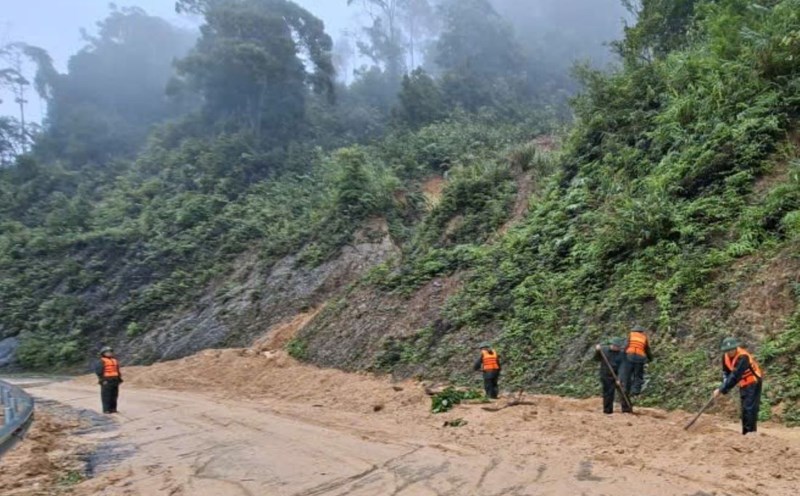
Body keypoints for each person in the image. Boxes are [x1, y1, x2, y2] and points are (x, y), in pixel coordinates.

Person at [713, 337, 763, 435]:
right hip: (743, 383)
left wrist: (721, 389)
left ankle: (751, 433)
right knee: (744, 408)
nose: (730, 352)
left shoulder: (743, 357)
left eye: (732, 349)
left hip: (753, 381)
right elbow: (726, 374)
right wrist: (723, 386)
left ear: (736, 348)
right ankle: (745, 433)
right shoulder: (725, 357)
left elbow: (735, 376)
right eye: (728, 350)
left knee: (749, 407)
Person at [593, 337, 629, 414]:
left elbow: (623, 367)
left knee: (623, 391)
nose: (616, 348)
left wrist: (619, 378)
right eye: (615, 346)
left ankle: (626, 409)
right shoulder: (604, 350)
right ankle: (608, 410)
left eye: (618, 346)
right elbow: (596, 359)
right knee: (608, 393)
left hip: (617, 374)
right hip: (606, 375)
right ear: (611, 344)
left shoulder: (622, 354)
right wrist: (597, 351)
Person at [619, 324, 653, 398]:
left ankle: (626, 390)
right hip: (640, 359)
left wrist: (622, 355)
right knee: (638, 376)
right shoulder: (644, 338)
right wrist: (650, 359)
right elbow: (647, 350)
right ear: (641, 331)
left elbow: (625, 346)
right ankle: (635, 391)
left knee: (627, 375)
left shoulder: (631, 335)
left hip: (629, 357)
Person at [94, 346, 122, 414]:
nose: (109, 353)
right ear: (103, 353)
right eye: (107, 352)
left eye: (110, 352)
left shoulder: (115, 360)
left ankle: (113, 409)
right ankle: (106, 409)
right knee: (106, 395)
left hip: (115, 379)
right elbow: (99, 372)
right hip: (106, 380)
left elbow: (117, 370)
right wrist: (102, 380)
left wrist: (119, 379)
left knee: (114, 395)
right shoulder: (101, 361)